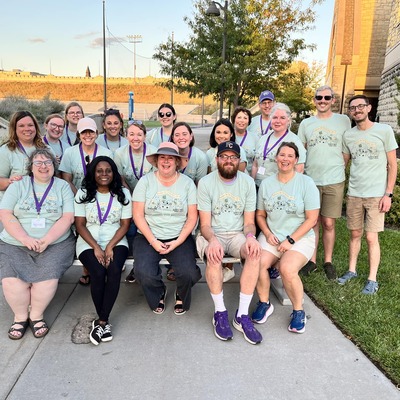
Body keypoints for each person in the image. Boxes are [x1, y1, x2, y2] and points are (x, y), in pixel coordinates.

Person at [0, 149, 75, 340]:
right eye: (38, 163)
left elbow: (68, 217)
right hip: (15, 242)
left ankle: (36, 315)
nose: (43, 166)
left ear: (54, 166)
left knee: (46, 278)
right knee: (11, 280)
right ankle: (20, 317)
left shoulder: (62, 186)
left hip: (55, 243)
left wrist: (47, 239)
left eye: (48, 162)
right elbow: (6, 213)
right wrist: (24, 238)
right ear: (30, 167)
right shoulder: (18, 185)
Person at [196, 141, 262, 345]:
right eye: (224, 156)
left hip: (237, 234)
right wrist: (213, 240)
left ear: (239, 161)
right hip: (211, 233)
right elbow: (205, 225)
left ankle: (242, 315)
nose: (228, 161)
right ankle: (220, 312)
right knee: (214, 257)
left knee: (253, 254)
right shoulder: (206, 182)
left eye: (233, 157)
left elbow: (249, 223)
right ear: (216, 159)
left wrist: (251, 238)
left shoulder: (248, 183)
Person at [252, 142, 319, 333]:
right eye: (282, 155)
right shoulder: (266, 184)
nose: (285, 159)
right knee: (256, 263)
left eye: (290, 156)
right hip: (272, 236)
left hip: (299, 238)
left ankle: (298, 311)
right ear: (276, 158)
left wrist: (290, 240)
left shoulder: (306, 183)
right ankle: (264, 303)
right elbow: (260, 215)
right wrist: (267, 233)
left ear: (296, 160)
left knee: (287, 268)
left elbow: (312, 218)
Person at [132, 142, 201, 315]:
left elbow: (192, 217)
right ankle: (159, 291)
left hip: (179, 236)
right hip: (148, 235)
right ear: (156, 160)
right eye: (162, 157)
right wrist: (154, 241)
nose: (166, 161)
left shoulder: (187, 184)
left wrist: (178, 241)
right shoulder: (145, 182)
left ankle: (181, 291)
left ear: (177, 162)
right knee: (143, 273)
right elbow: (138, 215)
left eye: (171, 158)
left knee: (189, 274)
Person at [338, 95, 398, 294]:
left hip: (376, 194)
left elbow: (392, 165)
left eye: (361, 106)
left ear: (369, 108)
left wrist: (388, 194)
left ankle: (372, 279)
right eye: (353, 107)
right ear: (350, 112)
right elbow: (342, 163)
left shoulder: (384, 130)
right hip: (354, 193)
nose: (357, 110)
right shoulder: (349, 135)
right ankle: (351, 270)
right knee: (355, 234)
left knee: (371, 237)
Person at [74, 156, 131, 345]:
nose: (104, 174)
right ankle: (103, 321)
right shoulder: (83, 193)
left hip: (116, 241)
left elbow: (124, 225)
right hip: (88, 242)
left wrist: (109, 246)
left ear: (114, 173)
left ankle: (102, 321)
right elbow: (80, 225)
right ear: (93, 173)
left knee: (114, 270)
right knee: (98, 272)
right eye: (99, 170)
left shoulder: (122, 194)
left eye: (108, 170)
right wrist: (97, 248)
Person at [298, 86, 351, 279]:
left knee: (328, 222)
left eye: (326, 97)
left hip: (334, 180)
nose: (323, 100)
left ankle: (327, 261)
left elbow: (346, 150)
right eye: (319, 97)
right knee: (313, 222)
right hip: (311, 180)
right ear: (314, 100)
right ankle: (311, 261)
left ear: (333, 100)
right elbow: (301, 150)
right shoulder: (306, 124)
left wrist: (338, 167)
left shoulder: (343, 120)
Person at [59, 117, 112, 286]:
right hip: (76, 198)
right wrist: (80, 196)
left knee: (97, 230)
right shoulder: (70, 152)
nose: (88, 135)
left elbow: (110, 178)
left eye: (91, 132)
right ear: (79, 134)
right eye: (84, 132)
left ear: (96, 133)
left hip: (100, 198)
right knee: (80, 231)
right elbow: (66, 177)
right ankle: (87, 269)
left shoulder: (106, 152)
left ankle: (100, 266)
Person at [114, 120, 156, 283]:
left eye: (139, 134)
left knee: (150, 228)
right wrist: (132, 199)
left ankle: (154, 265)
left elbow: (155, 180)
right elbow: (120, 178)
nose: (135, 138)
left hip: (150, 197)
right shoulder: (119, 153)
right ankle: (136, 266)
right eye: (131, 134)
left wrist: (142, 200)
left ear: (145, 136)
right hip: (129, 196)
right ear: (126, 135)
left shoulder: (153, 152)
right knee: (131, 229)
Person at [252, 103, 306, 188]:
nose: (278, 121)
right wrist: (252, 184)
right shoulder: (263, 138)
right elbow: (255, 164)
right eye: (275, 117)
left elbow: (299, 169)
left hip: (278, 188)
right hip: (258, 186)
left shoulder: (294, 141)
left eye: (282, 118)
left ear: (288, 120)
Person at [0, 110, 47, 201]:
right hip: (13, 203)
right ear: (14, 129)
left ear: (35, 127)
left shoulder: (46, 149)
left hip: (42, 202)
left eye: (30, 125)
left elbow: (56, 178)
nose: (27, 129)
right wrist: (9, 181)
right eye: (21, 126)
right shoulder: (5, 151)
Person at [231, 106, 258, 174]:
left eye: (245, 118)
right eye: (239, 117)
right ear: (234, 120)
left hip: (248, 176)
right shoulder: (228, 136)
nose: (242, 120)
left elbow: (256, 161)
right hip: (230, 174)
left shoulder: (255, 138)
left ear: (249, 121)